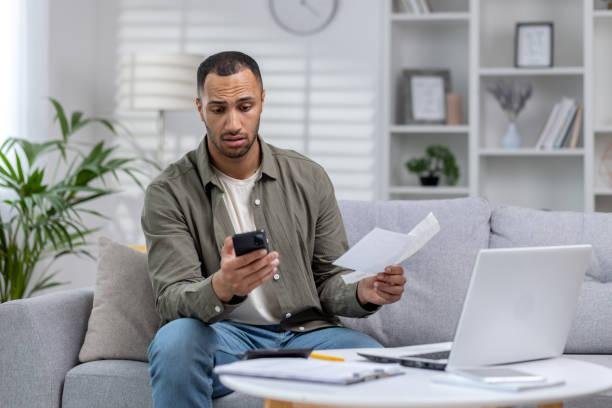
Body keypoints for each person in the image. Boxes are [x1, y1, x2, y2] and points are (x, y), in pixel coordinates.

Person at [141, 51, 407, 408]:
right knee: (175, 341)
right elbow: (172, 301)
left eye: (245, 106)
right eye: (218, 109)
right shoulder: (169, 192)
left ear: (262, 101)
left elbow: (328, 281)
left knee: (372, 359)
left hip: (305, 333)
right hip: (224, 337)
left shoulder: (309, 177)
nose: (233, 123)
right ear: (199, 108)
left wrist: (364, 291)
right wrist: (222, 286)